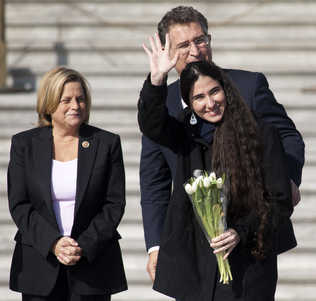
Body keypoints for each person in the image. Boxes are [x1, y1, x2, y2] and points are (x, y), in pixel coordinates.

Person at [139, 5, 304, 285]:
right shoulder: (162, 102)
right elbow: (154, 178)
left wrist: (286, 180)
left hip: (251, 234)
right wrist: (155, 244)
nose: (195, 50)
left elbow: (287, 137)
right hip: (192, 244)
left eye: (200, 40)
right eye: (183, 45)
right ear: (168, 52)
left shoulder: (249, 85)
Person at [7, 67, 127, 301]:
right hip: (39, 266)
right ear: (50, 104)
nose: (76, 105)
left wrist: (81, 245)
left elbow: (114, 204)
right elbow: (19, 204)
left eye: (80, 99)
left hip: (92, 267)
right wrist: (54, 243)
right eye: (66, 100)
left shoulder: (106, 143)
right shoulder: (24, 145)